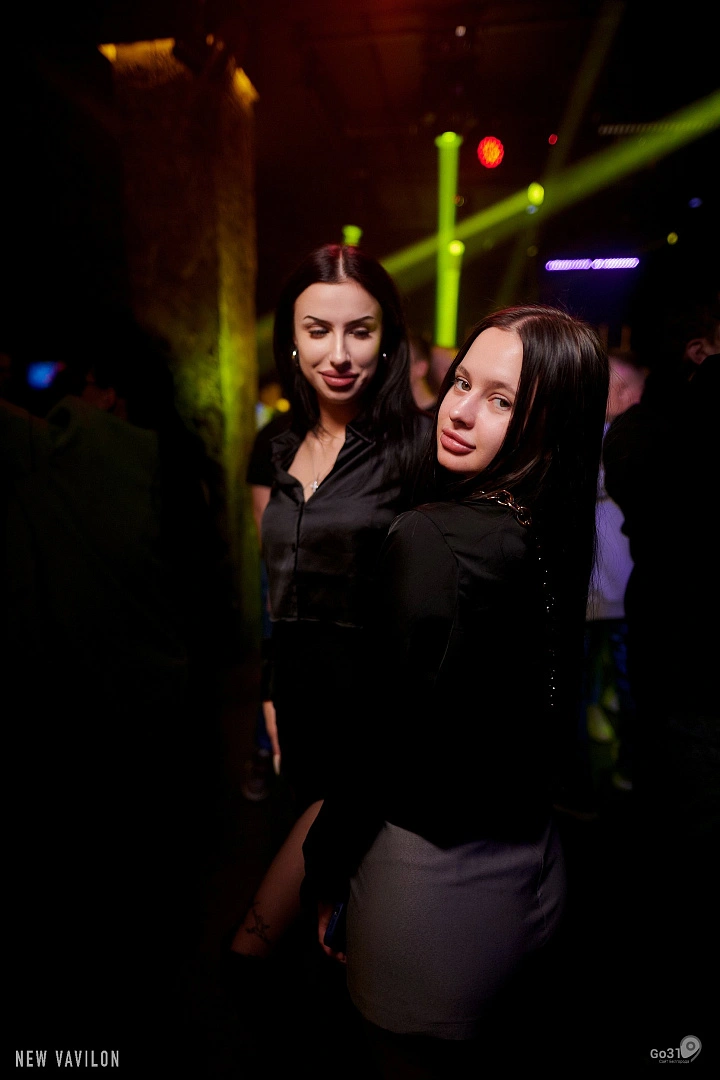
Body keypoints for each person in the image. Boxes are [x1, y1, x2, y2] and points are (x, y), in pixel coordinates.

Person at [302, 304, 609, 1077]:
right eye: (462, 382)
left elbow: (378, 743)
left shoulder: (434, 536)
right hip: (538, 870)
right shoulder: (553, 524)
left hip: (432, 894)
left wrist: (324, 871)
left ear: (552, 421)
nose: (460, 411)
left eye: (501, 400)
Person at [227, 243, 431, 968]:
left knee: (346, 915)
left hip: (378, 713)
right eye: (318, 330)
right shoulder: (277, 446)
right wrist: (271, 688)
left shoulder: (420, 448)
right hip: (299, 701)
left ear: (388, 338)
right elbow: (277, 583)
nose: (339, 354)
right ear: (291, 336)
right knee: (323, 933)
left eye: (359, 330)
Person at [602, 293, 719, 1058]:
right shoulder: (653, 433)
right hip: (689, 668)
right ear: (699, 351)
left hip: (671, 652)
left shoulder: (648, 430)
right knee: (688, 855)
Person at [581, 347, 647, 793]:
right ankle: (621, 769)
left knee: (599, 683)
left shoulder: (601, 440)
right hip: (611, 590)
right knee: (620, 682)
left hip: (604, 589)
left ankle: (595, 774)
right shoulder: (621, 440)